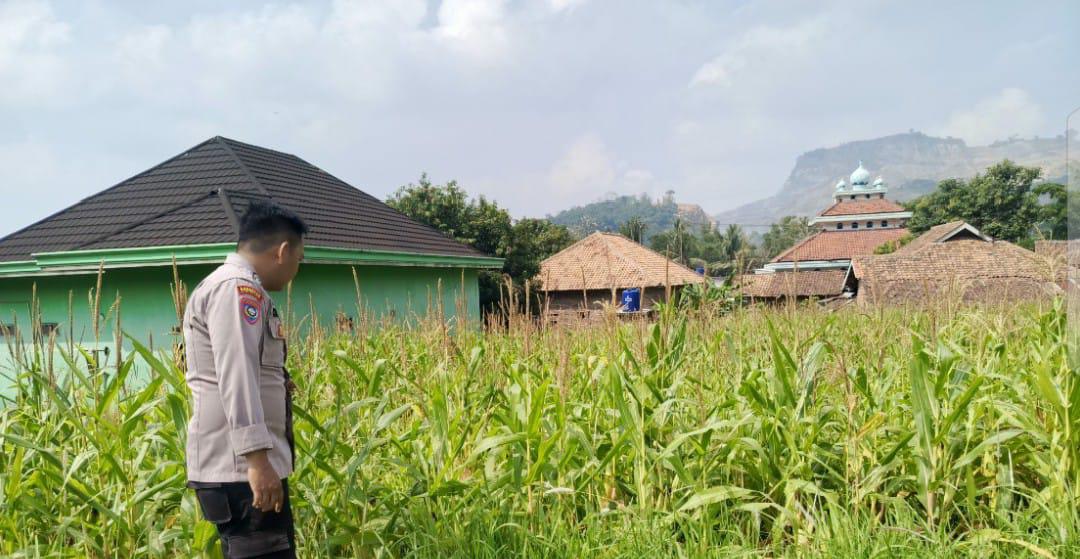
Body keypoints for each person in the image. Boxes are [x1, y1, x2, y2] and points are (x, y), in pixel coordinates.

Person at [182, 200, 307, 558]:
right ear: (282, 251)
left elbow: (247, 367)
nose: (297, 268)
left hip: (244, 469)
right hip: (241, 471)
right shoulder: (236, 289)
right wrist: (258, 461)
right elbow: (236, 373)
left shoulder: (240, 288)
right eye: (299, 258)